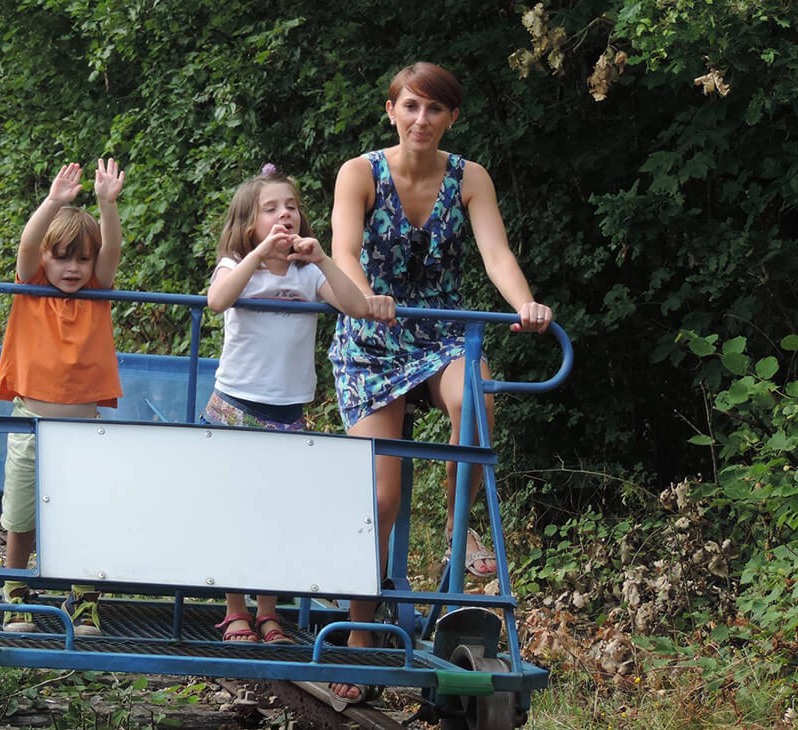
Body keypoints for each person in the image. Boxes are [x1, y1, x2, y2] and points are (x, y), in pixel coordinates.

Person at [326, 62, 553, 702]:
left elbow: (496, 254)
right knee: (383, 497)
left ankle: (459, 537)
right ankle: (359, 633)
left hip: (442, 330)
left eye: (435, 110)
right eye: (411, 107)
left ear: (452, 117)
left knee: (474, 394)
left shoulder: (468, 178)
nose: (421, 120)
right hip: (372, 333)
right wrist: (369, 299)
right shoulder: (359, 172)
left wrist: (525, 304)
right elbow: (344, 253)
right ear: (391, 111)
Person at [202, 165, 393, 644]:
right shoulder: (235, 266)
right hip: (236, 405)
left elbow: (355, 305)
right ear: (250, 225)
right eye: (271, 209)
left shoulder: (309, 275)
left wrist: (325, 258)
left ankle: (269, 612)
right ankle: (235, 609)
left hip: (288, 412)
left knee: (276, 515)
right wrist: (259, 255)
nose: (284, 214)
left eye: (290, 206)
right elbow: (217, 300)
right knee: (231, 511)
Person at [0, 159, 126, 636]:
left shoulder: (96, 291)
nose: (73, 268)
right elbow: (28, 247)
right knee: (22, 514)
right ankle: (14, 592)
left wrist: (107, 203)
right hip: (31, 421)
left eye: (82, 259)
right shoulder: (30, 288)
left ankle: (84, 597)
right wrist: (52, 203)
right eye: (62, 257)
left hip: (83, 426)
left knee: (82, 512)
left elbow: (111, 251)